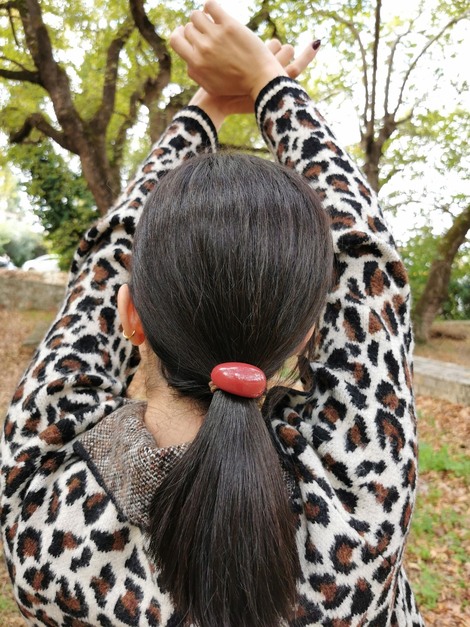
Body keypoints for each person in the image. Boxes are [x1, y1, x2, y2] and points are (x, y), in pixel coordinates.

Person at [0, 3, 424, 625]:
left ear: (131, 314)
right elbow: (368, 266)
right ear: (309, 331)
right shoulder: (357, 517)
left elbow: (106, 264)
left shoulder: (37, 516)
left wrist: (208, 107)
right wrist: (270, 87)